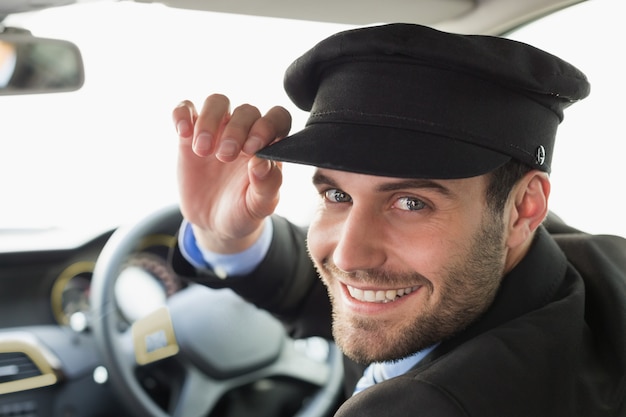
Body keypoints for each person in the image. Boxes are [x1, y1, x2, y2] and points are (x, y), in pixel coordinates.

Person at [169, 23, 625, 416]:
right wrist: (224, 236)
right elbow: (351, 290)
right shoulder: (583, 262)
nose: (349, 253)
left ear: (524, 208)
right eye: (337, 194)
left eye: (410, 203)